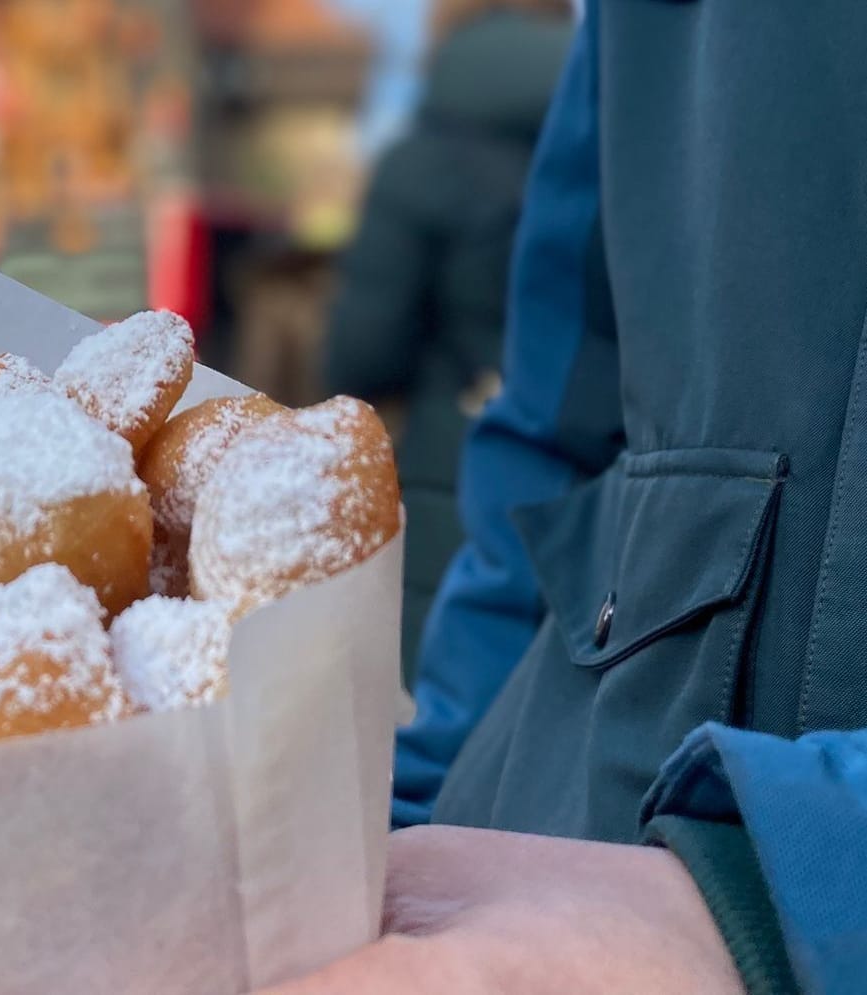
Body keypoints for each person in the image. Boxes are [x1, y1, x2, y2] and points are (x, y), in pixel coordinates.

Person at [270, 2, 867, 991]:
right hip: (560, 841)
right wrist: (407, 815)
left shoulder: (418, 159)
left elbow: (522, 416)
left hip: (439, 497)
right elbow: (560, 439)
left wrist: (796, 892)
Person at [323, 0, 572, 680]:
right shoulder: (612, 148)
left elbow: (363, 354)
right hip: (589, 483)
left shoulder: (419, 160)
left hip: (453, 476)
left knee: (434, 712)